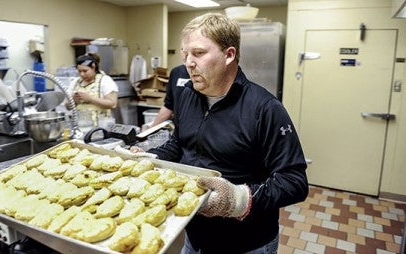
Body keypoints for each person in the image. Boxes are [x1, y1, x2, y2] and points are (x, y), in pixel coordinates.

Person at [132, 12, 308, 253]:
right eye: (185, 54)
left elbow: (294, 182)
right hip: (194, 237)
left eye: (198, 53)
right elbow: (180, 144)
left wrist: (238, 199)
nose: (188, 63)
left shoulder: (265, 109)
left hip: (246, 243)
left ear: (229, 55)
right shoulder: (187, 96)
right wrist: (151, 158)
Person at [67, 52, 118, 129]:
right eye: (79, 71)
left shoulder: (105, 80)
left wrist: (90, 98)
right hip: (80, 127)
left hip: (101, 127)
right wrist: (74, 101)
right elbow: (67, 107)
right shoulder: (75, 83)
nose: (82, 74)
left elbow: (112, 104)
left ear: (93, 67)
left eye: (85, 71)